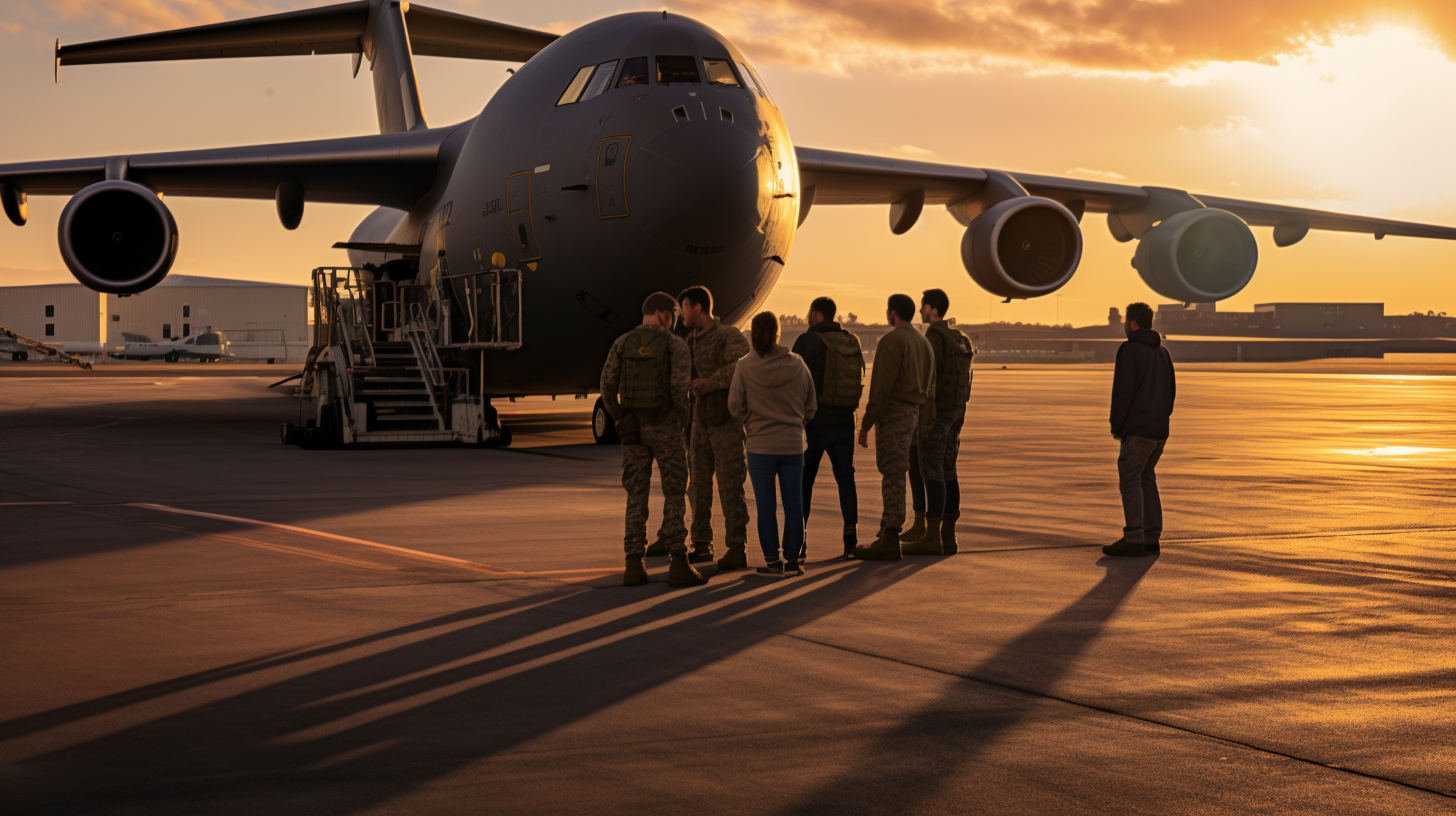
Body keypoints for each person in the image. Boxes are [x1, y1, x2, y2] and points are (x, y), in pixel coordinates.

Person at [599, 292, 707, 587]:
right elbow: (680, 391)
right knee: (674, 494)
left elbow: (606, 388)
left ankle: (633, 565)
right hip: (666, 429)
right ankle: (677, 563)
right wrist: (678, 425)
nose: (674, 321)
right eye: (673, 314)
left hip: (634, 432)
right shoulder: (675, 345)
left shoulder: (622, 343)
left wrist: (622, 419)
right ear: (663, 314)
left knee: (636, 496)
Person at [729, 311, 817, 576]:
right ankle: (792, 560)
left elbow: (734, 406)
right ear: (778, 334)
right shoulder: (798, 365)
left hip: (760, 445)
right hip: (792, 445)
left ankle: (771, 561)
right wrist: (795, 422)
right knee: (794, 504)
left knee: (766, 505)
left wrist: (751, 420)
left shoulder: (744, 366)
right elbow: (811, 407)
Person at [855, 294, 934, 561]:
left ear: (893, 313)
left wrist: (866, 424)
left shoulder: (891, 341)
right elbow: (930, 387)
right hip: (914, 413)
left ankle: (890, 535)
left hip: (894, 414)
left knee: (892, 473)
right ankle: (887, 530)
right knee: (899, 472)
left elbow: (880, 387)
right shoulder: (924, 343)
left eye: (888, 311)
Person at [679, 286, 753, 570]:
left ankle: (737, 546)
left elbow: (740, 366)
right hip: (699, 424)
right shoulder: (690, 342)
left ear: (697, 307)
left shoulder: (728, 336)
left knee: (730, 486)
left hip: (726, 424)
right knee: (697, 487)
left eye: (684, 307)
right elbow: (685, 378)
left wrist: (709, 382)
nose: (681, 313)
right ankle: (701, 543)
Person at [790, 296, 864, 559]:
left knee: (804, 482)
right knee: (846, 479)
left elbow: (794, 383)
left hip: (814, 424)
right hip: (844, 423)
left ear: (817, 315)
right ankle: (850, 539)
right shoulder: (850, 341)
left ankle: (800, 543)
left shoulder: (806, 341)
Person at [903, 288, 975, 556]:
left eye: (924, 306)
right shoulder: (958, 337)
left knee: (930, 471)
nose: (921, 310)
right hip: (956, 413)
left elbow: (928, 380)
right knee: (948, 470)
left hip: (936, 415)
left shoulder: (934, 336)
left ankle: (932, 536)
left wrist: (923, 417)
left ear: (932, 308)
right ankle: (949, 537)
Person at [1104, 301, 1176, 558]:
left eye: (1125, 320)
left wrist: (1118, 425)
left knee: (1131, 480)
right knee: (1147, 478)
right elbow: (1171, 393)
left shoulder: (1130, 350)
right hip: (1159, 430)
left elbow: (1123, 391)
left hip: (1138, 430)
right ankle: (1151, 536)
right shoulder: (1163, 353)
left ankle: (1134, 536)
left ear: (1132, 323)